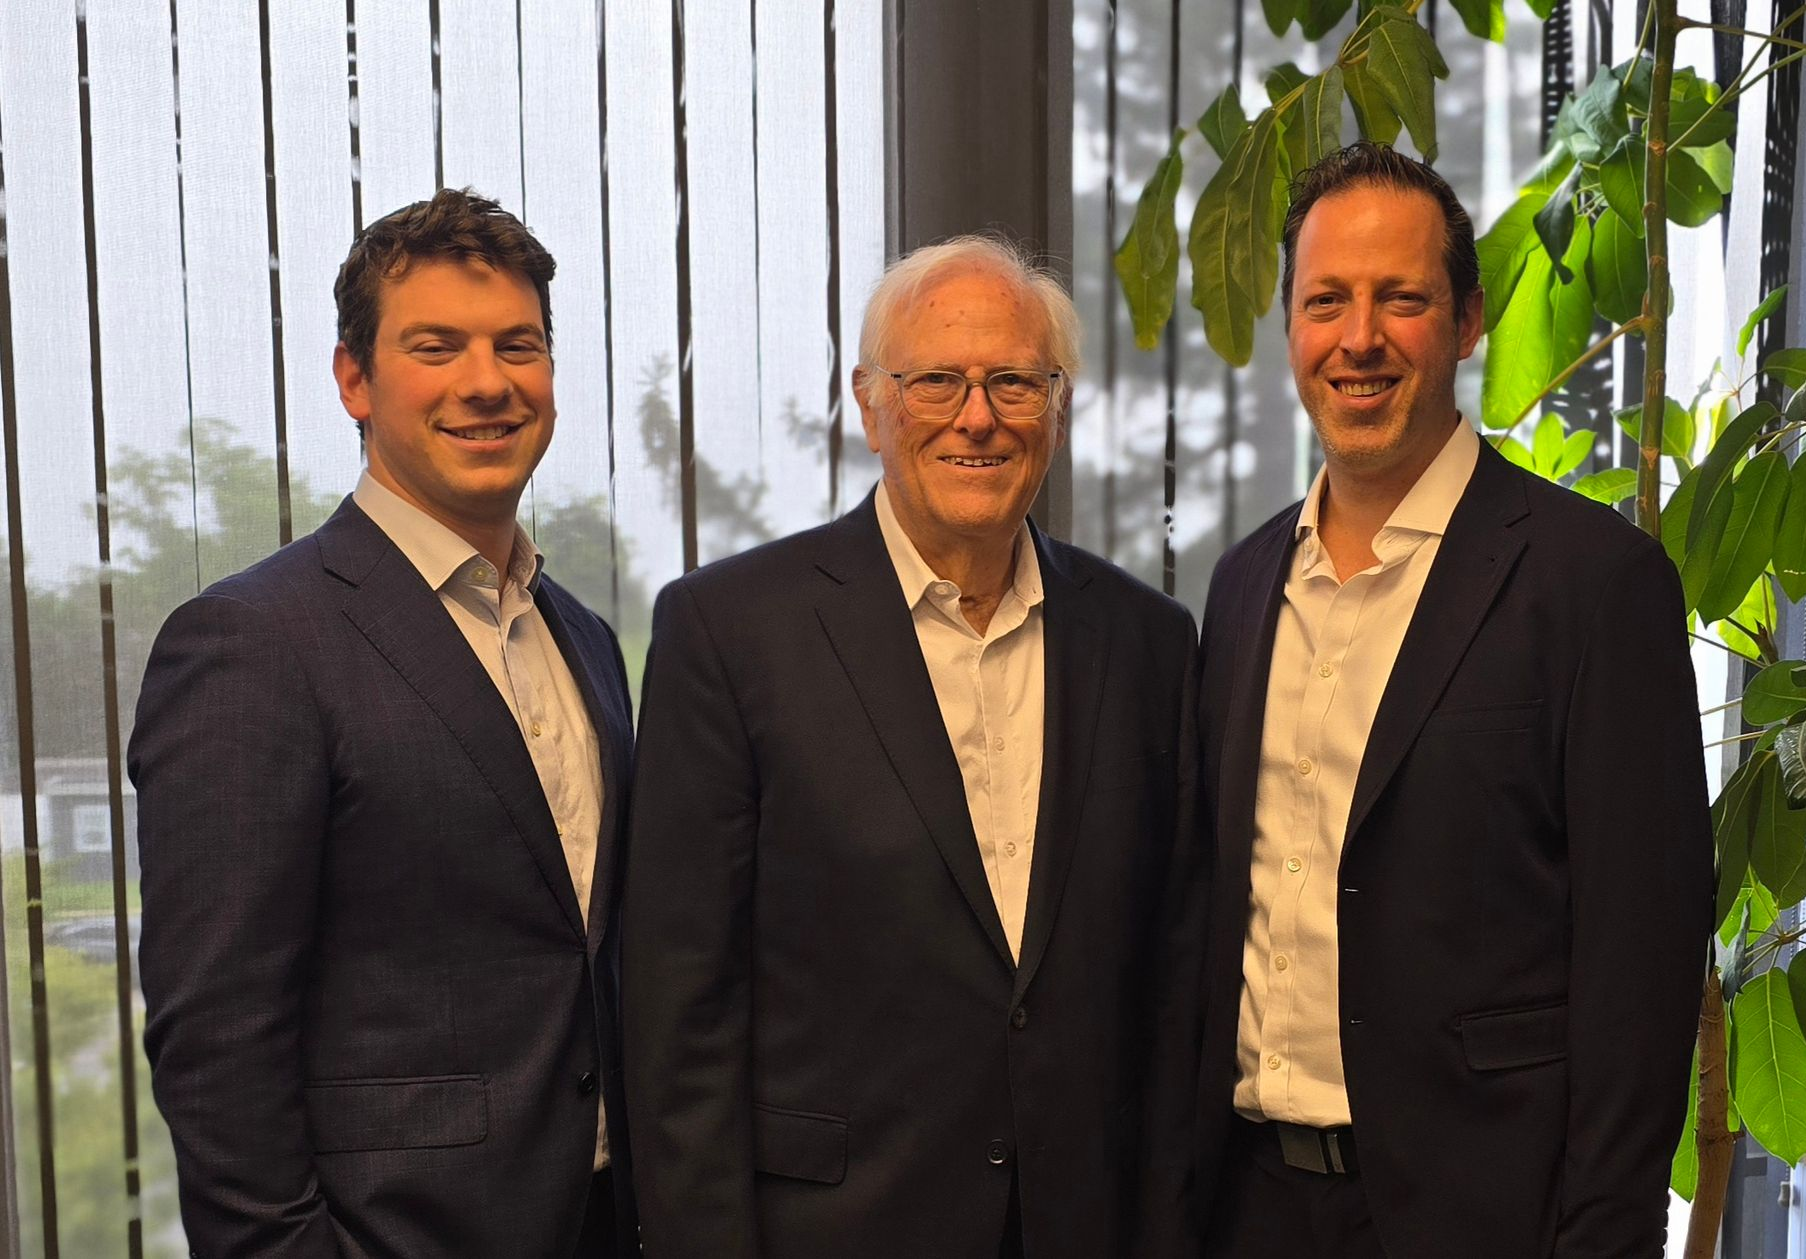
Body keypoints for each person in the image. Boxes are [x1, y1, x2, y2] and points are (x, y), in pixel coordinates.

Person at [622, 235, 1206, 1259]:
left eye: (1014, 382)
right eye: (937, 379)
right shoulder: (730, 632)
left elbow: (1170, 984)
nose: (976, 416)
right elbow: (681, 1011)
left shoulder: (1149, 642)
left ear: (1055, 406)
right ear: (870, 399)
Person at [1191, 144, 1713, 1258]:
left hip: (1484, 1216)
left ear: (1469, 319)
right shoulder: (1240, 586)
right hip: (1247, 1208)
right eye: (1326, 300)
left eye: (1403, 299)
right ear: (1290, 325)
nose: (1360, 337)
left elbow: (1643, 962)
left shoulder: (1595, 584)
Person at [131, 188, 638, 1258]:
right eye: (436, 345)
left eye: (520, 345)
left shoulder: (584, 639)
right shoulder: (251, 643)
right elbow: (216, 1040)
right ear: (354, 378)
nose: (488, 381)